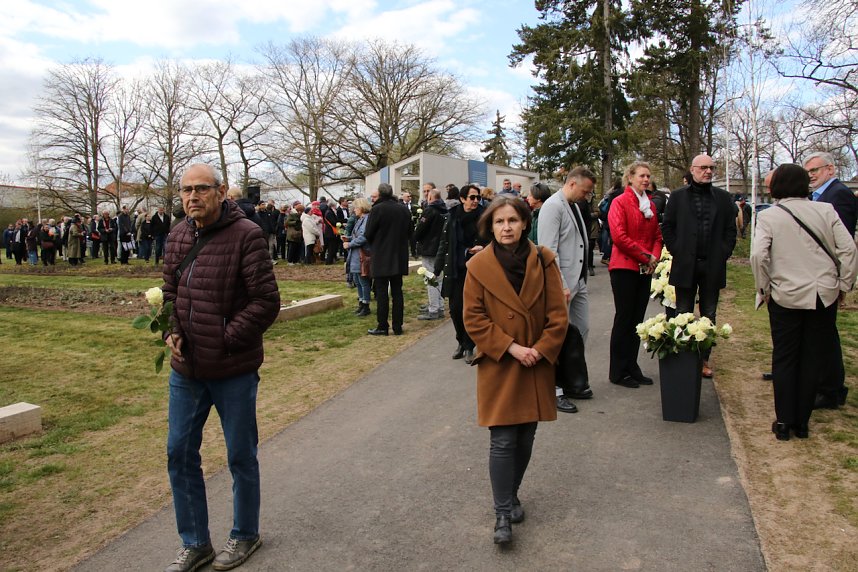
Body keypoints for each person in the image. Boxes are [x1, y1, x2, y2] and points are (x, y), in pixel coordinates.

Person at [162, 163, 280, 572]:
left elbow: (266, 302)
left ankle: (245, 534)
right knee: (179, 453)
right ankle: (195, 543)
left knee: (240, 455)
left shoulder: (247, 235)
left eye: (201, 188)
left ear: (222, 191)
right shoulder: (177, 235)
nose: (192, 197)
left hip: (233, 369)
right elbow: (170, 291)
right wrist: (172, 330)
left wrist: (226, 337)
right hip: (187, 371)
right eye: (185, 190)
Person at [463, 196, 568, 545]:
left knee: (525, 436)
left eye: (512, 220)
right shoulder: (478, 266)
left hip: (536, 361)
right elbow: (473, 318)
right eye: (499, 222)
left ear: (524, 223)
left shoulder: (544, 260)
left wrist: (541, 349)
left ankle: (512, 493)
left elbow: (558, 314)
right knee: (503, 439)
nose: (506, 227)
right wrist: (512, 347)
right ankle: (502, 513)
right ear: (490, 227)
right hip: (501, 362)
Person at [750, 164, 857, 441]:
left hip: (785, 294)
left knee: (785, 357)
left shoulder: (770, 216)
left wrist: (763, 288)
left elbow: (758, 255)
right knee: (812, 357)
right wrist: (844, 284)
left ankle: (784, 420)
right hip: (822, 294)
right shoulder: (826, 210)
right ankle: (803, 422)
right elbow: (849, 249)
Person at [662, 154, 737, 378]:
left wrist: (723, 252)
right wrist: (677, 249)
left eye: (711, 167)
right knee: (682, 312)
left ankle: (704, 359)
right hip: (685, 264)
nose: (708, 171)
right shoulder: (678, 196)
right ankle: (682, 357)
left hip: (712, 265)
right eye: (703, 167)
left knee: (709, 314)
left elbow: (730, 229)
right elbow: (668, 226)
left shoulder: (723, 198)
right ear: (693, 169)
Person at [537, 166, 597, 412]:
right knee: (557, 337)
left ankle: (572, 379)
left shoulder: (573, 205)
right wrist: (559, 284)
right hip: (562, 284)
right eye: (585, 190)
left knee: (581, 330)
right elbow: (548, 250)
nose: (587, 195)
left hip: (578, 281)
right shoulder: (553, 206)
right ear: (572, 183)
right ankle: (555, 388)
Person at [803, 152, 858, 408]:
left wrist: (842, 281)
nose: (811, 176)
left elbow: (840, 244)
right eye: (808, 172)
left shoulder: (838, 195)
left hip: (827, 277)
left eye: (815, 170)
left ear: (831, 169)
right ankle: (820, 382)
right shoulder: (819, 196)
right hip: (814, 276)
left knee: (825, 334)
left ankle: (831, 389)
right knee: (818, 333)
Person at [607, 162, 663, 388]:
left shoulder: (650, 205)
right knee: (624, 318)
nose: (646, 179)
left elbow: (657, 236)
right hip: (624, 267)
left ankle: (632, 366)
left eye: (648, 176)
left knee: (637, 319)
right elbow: (619, 236)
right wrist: (645, 256)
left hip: (644, 268)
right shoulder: (619, 202)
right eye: (642, 175)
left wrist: (654, 257)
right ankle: (618, 371)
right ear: (630, 178)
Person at [435, 184, 486, 362]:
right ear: (463, 199)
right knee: (455, 309)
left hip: (477, 270)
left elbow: (493, 240)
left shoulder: (484, 217)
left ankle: (470, 345)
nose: (476, 201)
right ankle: (461, 341)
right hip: (455, 268)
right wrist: (437, 268)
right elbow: (444, 242)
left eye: (478, 197)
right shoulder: (452, 217)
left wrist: (483, 247)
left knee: (471, 309)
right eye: (472, 197)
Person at [364, 183, 412, 336]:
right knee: (397, 291)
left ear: (380, 194)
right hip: (399, 254)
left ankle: (382, 325)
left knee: (382, 292)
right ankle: (398, 326)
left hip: (381, 254)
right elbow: (410, 231)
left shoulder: (377, 209)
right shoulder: (403, 209)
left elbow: (368, 233)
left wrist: (375, 243)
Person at [414, 188, 448, 320]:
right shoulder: (445, 210)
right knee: (439, 278)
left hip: (429, 247)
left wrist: (415, 238)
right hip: (440, 248)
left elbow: (420, 229)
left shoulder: (430, 210)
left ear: (430, 198)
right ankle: (440, 306)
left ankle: (433, 308)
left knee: (430, 279)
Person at [342, 197, 373, 317]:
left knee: (363, 280)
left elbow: (364, 237)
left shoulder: (366, 220)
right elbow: (356, 236)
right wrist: (348, 238)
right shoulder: (360, 219)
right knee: (357, 280)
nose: (354, 210)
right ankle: (361, 302)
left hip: (362, 254)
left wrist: (349, 244)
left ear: (361, 207)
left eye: (355, 207)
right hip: (356, 254)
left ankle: (366, 305)